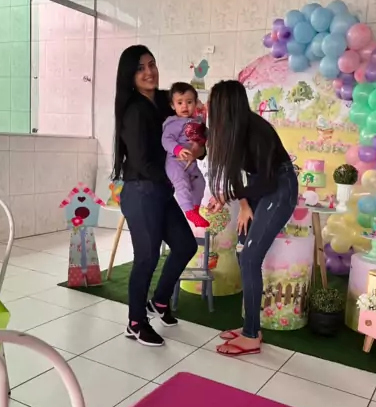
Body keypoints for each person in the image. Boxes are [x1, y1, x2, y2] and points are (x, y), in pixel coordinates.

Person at [113, 45, 200, 347]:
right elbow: (141, 161)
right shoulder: (134, 110)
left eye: (152, 64)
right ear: (130, 75)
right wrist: (177, 178)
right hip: (141, 191)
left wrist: (197, 149)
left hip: (161, 190)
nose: (149, 72)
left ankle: (160, 301)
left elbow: (190, 133)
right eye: (140, 68)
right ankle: (136, 322)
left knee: (185, 245)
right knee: (147, 258)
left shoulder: (165, 102)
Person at [207, 80, 298, 357]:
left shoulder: (258, 132)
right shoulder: (231, 130)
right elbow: (239, 174)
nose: (208, 106)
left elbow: (267, 182)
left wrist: (228, 196)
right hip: (260, 189)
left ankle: (250, 336)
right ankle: (251, 327)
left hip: (278, 189)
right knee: (242, 254)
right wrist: (242, 204)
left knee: (249, 258)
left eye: (212, 101)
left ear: (224, 106)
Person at [161, 82, 209, 228]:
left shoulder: (197, 121)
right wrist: (177, 149)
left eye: (189, 102)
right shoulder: (173, 123)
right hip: (175, 162)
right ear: (172, 105)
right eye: (180, 103)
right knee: (182, 184)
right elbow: (166, 140)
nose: (185, 106)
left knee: (200, 182)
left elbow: (204, 135)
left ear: (195, 103)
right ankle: (188, 211)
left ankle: (195, 209)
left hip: (191, 163)